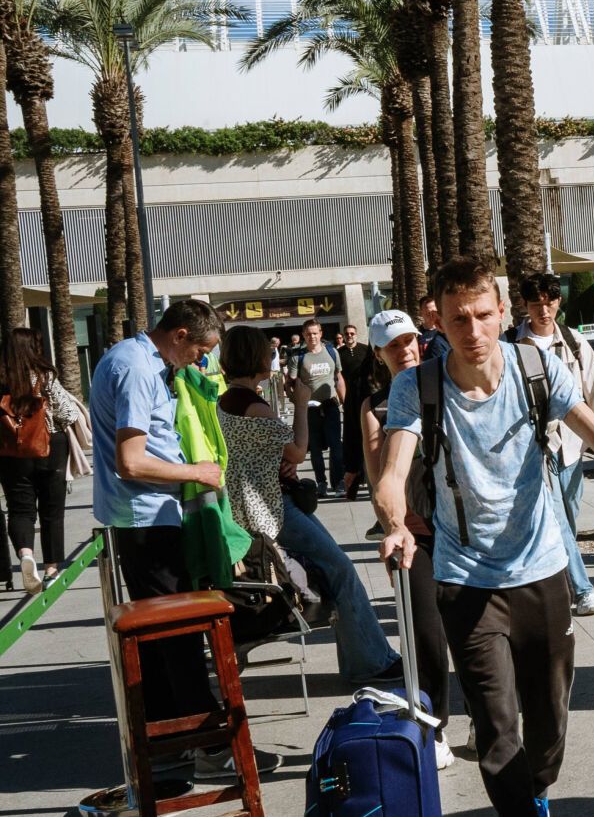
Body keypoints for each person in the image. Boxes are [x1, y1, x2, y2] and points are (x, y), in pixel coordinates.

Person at [375, 256, 594, 817]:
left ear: (502, 313)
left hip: (543, 571)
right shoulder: (417, 388)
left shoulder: (537, 370)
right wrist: (394, 525)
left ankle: (536, 794)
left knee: (550, 723)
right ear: (437, 323)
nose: (472, 329)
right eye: (457, 319)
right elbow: (393, 469)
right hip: (466, 581)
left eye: (483, 315)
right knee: (497, 731)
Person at [91, 299, 275, 777]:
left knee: (161, 639)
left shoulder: (143, 360)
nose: (202, 361)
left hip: (148, 516)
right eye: (200, 351)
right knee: (176, 637)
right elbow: (130, 461)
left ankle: (174, 738)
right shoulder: (136, 369)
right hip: (145, 520)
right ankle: (209, 744)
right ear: (178, 336)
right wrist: (195, 471)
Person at [214, 325, 402, 691]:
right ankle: (370, 663)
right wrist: (300, 403)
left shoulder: (227, 400)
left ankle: (366, 658)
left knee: (333, 573)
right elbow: (298, 450)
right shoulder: (253, 405)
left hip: (253, 506)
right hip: (272, 508)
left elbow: (269, 453)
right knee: (341, 569)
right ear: (256, 358)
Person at [360, 309, 455, 767]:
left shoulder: (446, 384)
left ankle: (487, 720)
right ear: (379, 354)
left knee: (478, 628)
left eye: (411, 340)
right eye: (394, 344)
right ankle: (435, 726)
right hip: (414, 531)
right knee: (426, 631)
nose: (406, 349)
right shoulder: (375, 407)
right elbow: (380, 474)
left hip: (463, 527)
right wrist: (395, 524)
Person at [511, 271, 594, 617]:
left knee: (568, 519)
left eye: (549, 303)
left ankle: (557, 583)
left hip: (573, 445)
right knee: (556, 518)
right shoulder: (512, 344)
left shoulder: (574, 342)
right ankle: (584, 590)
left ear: (558, 302)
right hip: (535, 446)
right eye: (536, 304)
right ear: (525, 306)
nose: (543, 311)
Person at [0, 328, 83, 592]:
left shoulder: (2, 378)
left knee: (20, 509)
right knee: (52, 510)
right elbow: (68, 413)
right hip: (50, 447)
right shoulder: (45, 376)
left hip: (11, 451)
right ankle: (50, 569)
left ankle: (25, 554)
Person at [291, 319, 345, 494]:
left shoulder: (332, 352)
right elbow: (289, 384)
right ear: (303, 335)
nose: (312, 337)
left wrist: (345, 401)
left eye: (315, 333)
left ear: (321, 333)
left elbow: (338, 378)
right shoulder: (297, 357)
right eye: (308, 334)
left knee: (336, 446)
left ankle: (338, 482)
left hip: (331, 405)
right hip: (310, 408)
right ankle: (321, 482)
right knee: (314, 448)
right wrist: (297, 402)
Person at [339, 324, 373, 501]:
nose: (350, 336)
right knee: (353, 440)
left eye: (352, 333)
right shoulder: (340, 353)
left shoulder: (365, 350)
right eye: (347, 333)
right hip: (351, 400)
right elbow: (338, 377)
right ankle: (352, 483)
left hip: (365, 398)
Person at [416, 294, 447, 358]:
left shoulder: (446, 331)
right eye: (428, 313)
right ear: (421, 313)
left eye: (434, 312)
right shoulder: (417, 334)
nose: (431, 316)